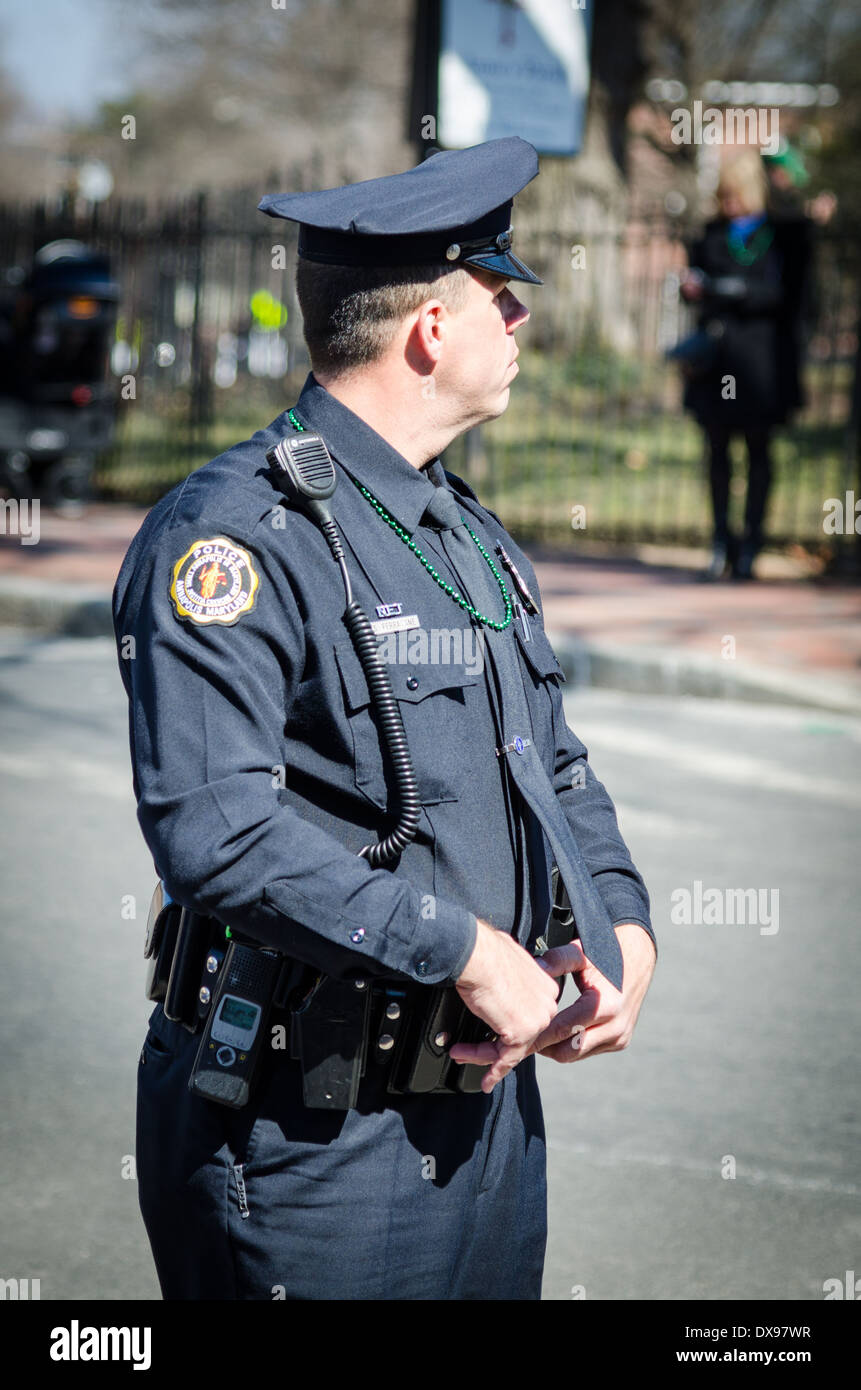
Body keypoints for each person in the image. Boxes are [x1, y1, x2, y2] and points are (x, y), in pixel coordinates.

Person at [113, 136, 657, 1301]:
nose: (520, 322)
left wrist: (619, 921)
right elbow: (216, 832)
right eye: (501, 297)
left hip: (483, 1122)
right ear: (430, 330)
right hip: (308, 1139)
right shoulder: (233, 538)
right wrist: (459, 947)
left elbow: (551, 760)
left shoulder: (458, 528)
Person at [680, 148, 813, 581]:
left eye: (735, 195)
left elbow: (789, 295)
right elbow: (694, 284)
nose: (729, 204)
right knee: (717, 451)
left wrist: (728, 290)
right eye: (724, 196)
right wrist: (696, 288)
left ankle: (752, 543)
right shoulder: (710, 234)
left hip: (763, 363)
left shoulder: (784, 235)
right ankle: (722, 540)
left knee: (759, 452)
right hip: (718, 362)